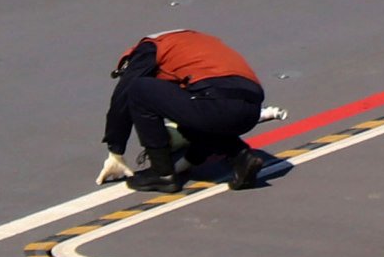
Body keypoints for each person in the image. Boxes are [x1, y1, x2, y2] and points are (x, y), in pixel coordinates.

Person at [94, 29, 293, 192]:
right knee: (195, 107)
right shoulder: (191, 43)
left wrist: (115, 151)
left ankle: (162, 174)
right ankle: (242, 157)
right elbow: (204, 119)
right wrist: (189, 160)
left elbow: (124, 94)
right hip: (249, 109)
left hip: (216, 100)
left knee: (138, 89)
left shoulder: (148, 49)